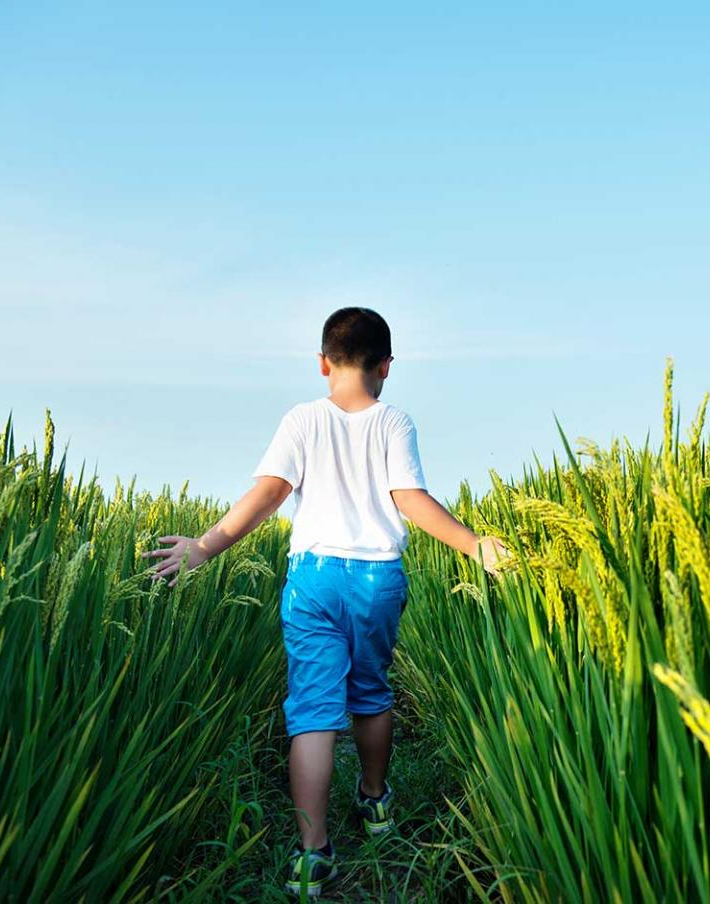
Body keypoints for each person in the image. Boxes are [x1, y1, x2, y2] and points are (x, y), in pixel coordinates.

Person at [142, 307, 509, 897]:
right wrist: (473, 545)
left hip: (313, 579)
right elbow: (409, 498)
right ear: (387, 366)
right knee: (371, 692)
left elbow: (268, 495)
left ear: (322, 363)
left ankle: (312, 854)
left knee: (312, 709)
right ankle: (374, 800)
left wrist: (205, 548)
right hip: (377, 579)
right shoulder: (394, 421)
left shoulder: (302, 420)